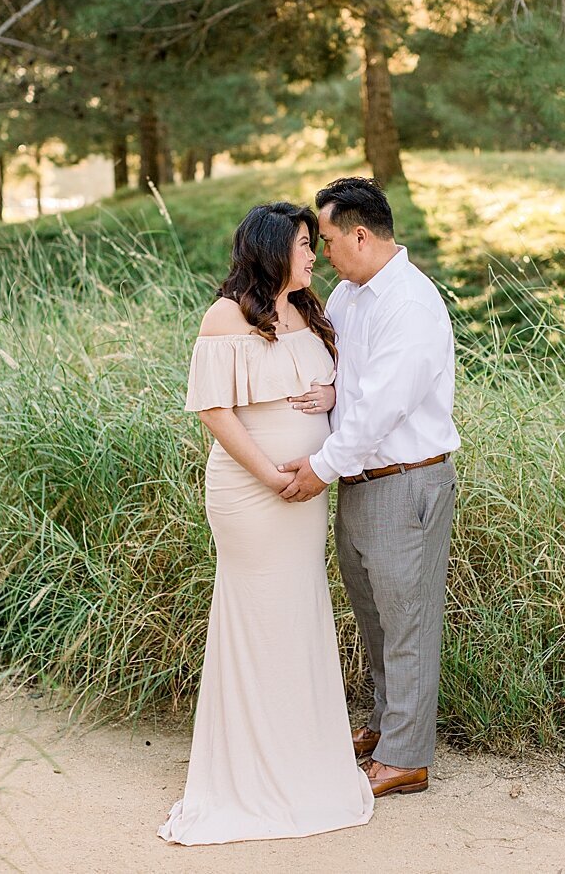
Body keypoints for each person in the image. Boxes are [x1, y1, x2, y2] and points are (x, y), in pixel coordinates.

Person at [159, 202, 374, 846]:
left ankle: (301, 756)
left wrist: (332, 398)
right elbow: (215, 411)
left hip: (305, 492)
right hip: (250, 495)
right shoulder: (227, 316)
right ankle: (249, 769)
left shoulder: (311, 310)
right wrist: (269, 474)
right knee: (257, 614)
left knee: (299, 612)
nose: (315, 255)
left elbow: (337, 382)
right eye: (306, 244)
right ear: (274, 248)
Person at [277, 176, 460, 799]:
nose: (321, 252)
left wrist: (320, 468)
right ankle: (386, 727)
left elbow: (383, 407)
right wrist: (330, 396)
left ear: (360, 233)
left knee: (406, 620)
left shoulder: (407, 302)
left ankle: (407, 757)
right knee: (376, 618)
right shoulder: (354, 296)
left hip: (406, 482)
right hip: (362, 479)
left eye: (326, 239)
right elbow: (355, 381)